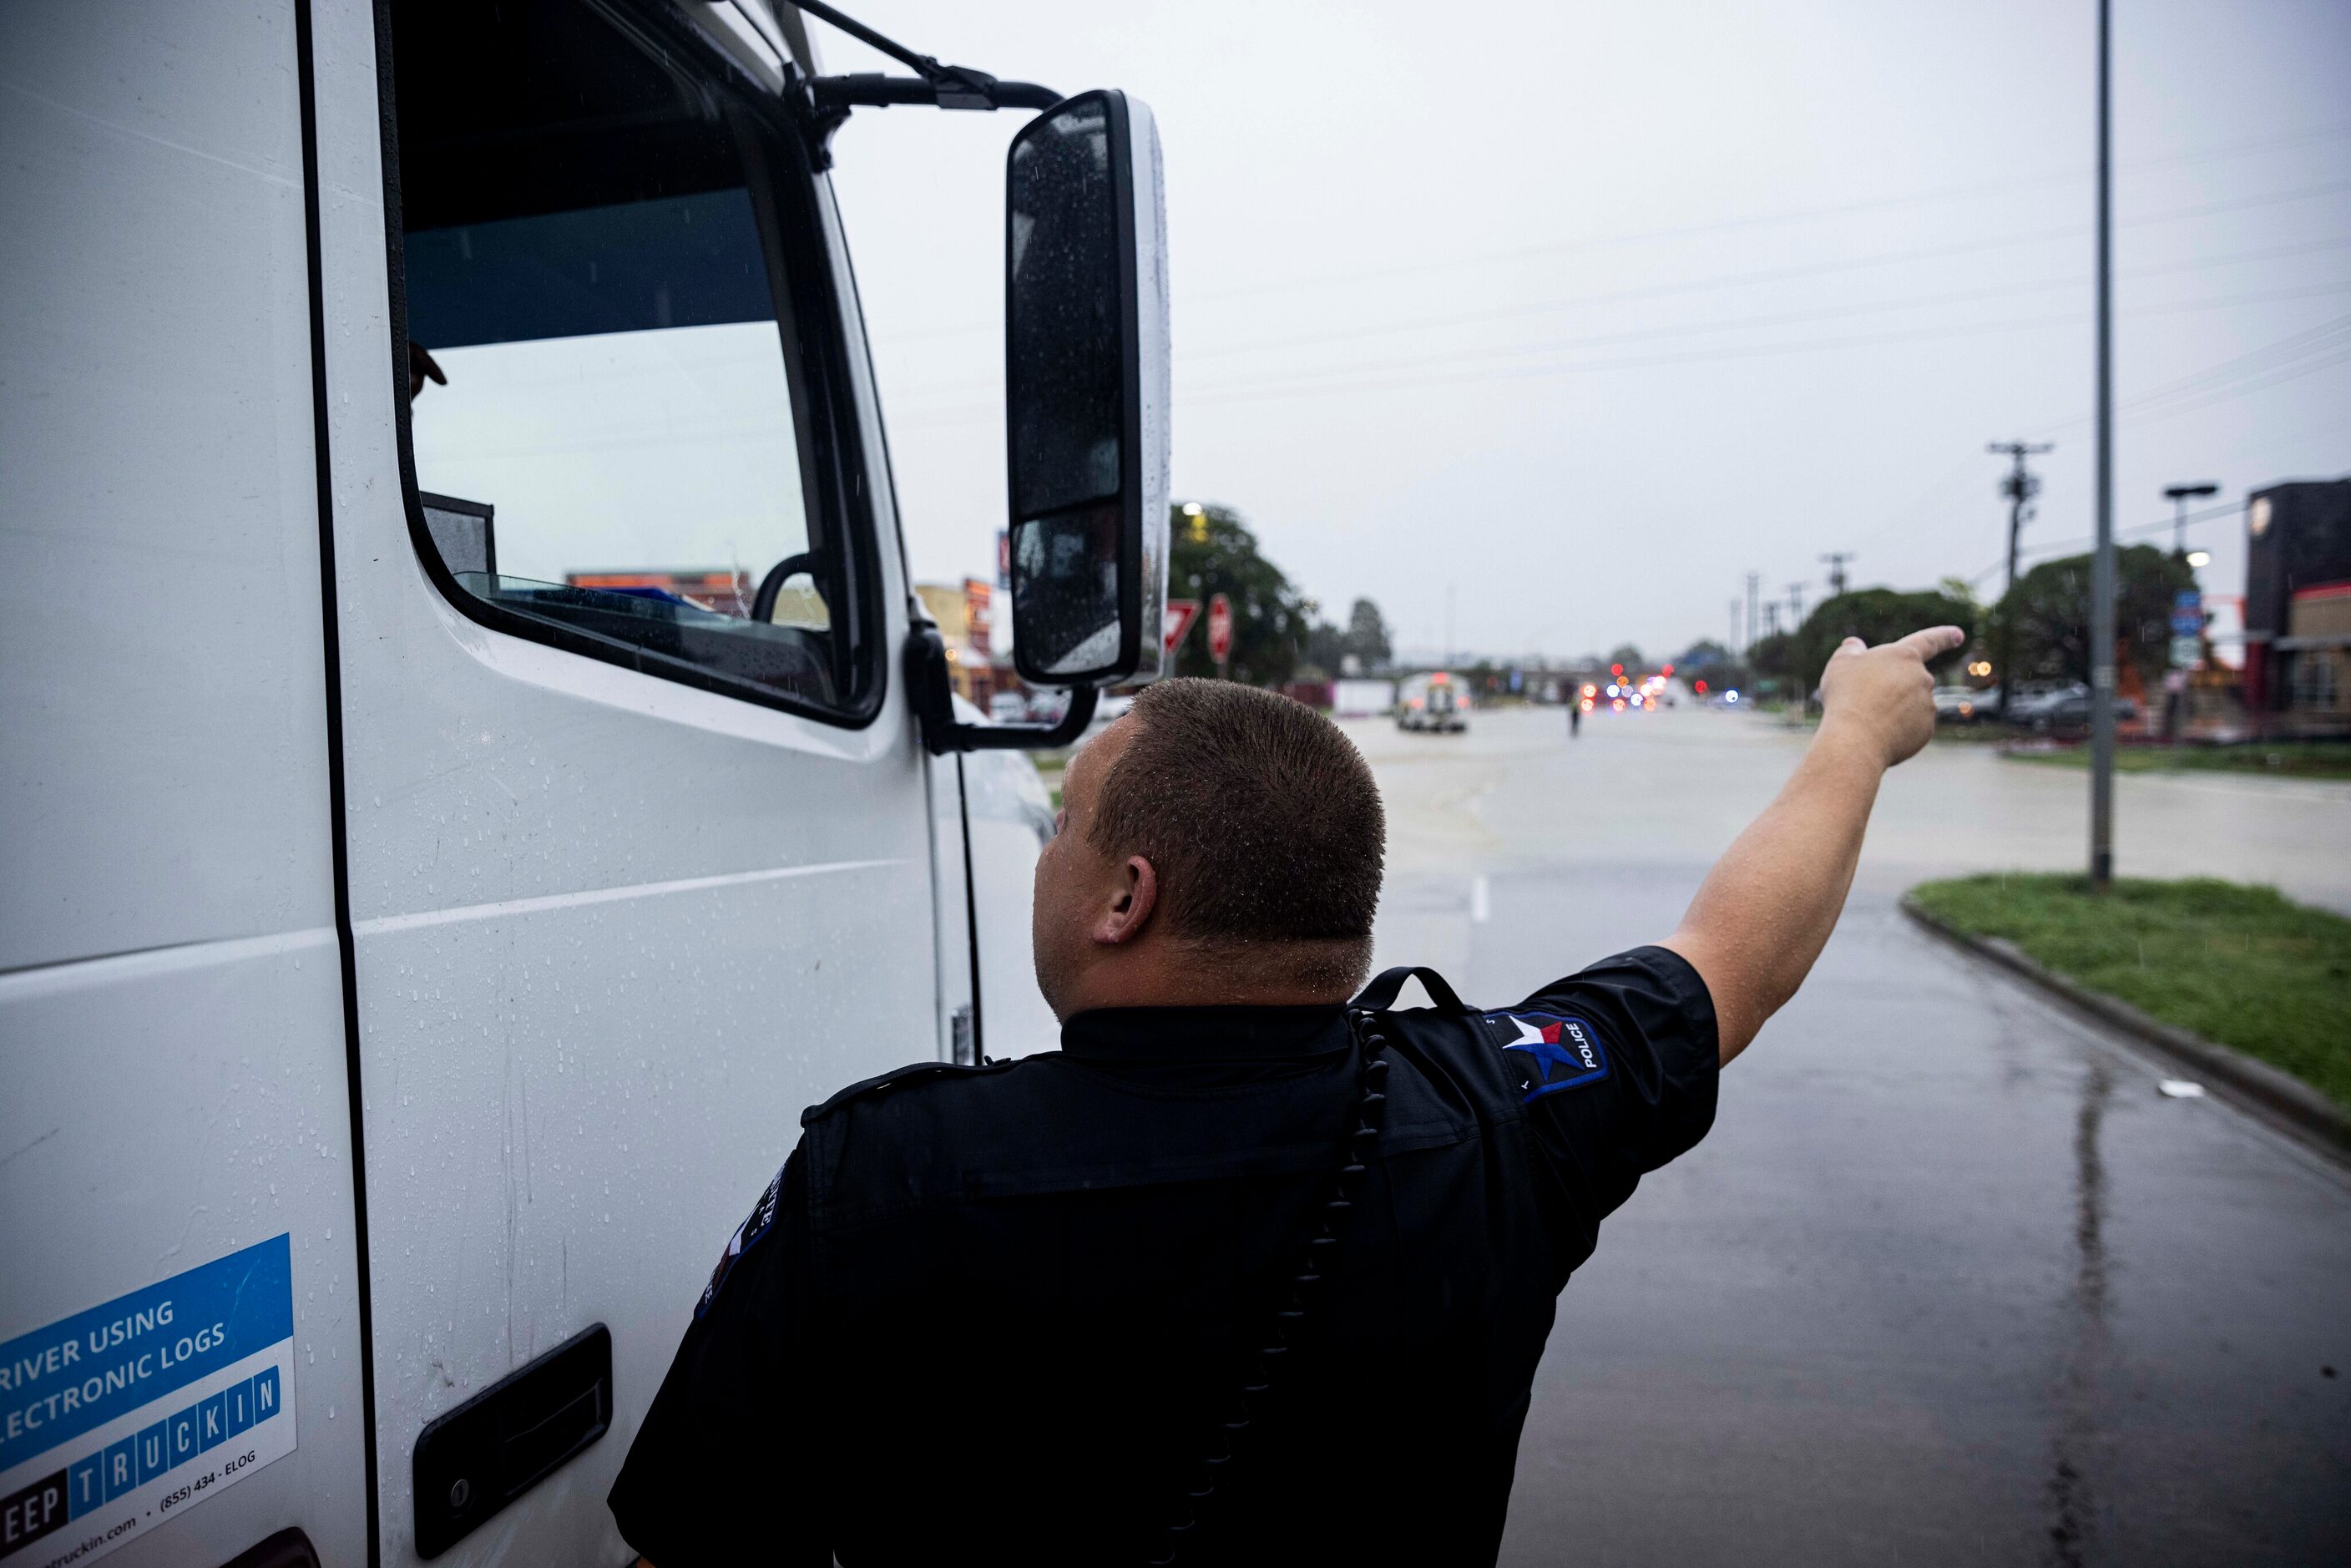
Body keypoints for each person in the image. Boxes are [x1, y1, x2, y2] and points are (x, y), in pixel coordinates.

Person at [608, 625, 1964, 1566]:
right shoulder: (1501, 1112)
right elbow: (1736, 960)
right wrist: (1854, 735)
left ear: (1128, 896)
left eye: (1065, 827)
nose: (1040, 859)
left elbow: (698, 1545)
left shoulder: (881, 1177)